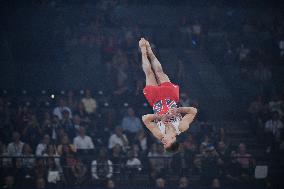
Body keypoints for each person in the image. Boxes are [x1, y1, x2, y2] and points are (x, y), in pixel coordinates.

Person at [139, 38, 197, 153]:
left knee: (149, 72)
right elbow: (193, 111)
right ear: (173, 140)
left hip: (156, 100)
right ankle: (150, 51)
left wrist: (160, 117)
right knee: (159, 71)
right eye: (166, 143)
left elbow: (145, 119)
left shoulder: (159, 134)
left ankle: (143, 50)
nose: (163, 142)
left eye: (163, 144)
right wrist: (177, 110)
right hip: (170, 97)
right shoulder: (181, 127)